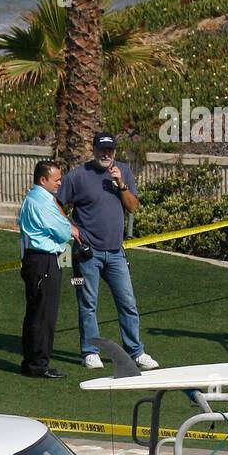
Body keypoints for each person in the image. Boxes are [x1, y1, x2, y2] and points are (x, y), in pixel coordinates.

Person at [57, 131, 158, 372]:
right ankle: (90, 352)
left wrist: (121, 185)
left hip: (115, 253)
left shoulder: (123, 171)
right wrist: (69, 226)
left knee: (128, 303)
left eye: (109, 150)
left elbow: (133, 207)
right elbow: (57, 202)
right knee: (88, 303)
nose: (106, 154)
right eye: (102, 150)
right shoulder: (78, 176)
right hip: (87, 253)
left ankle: (136, 351)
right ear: (93, 150)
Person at [17, 159, 80, 380]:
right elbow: (63, 231)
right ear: (43, 180)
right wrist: (68, 228)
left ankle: (32, 362)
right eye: (56, 179)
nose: (60, 183)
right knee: (44, 315)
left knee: (36, 312)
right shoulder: (42, 202)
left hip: (36, 260)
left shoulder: (33, 198)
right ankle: (38, 365)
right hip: (44, 261)